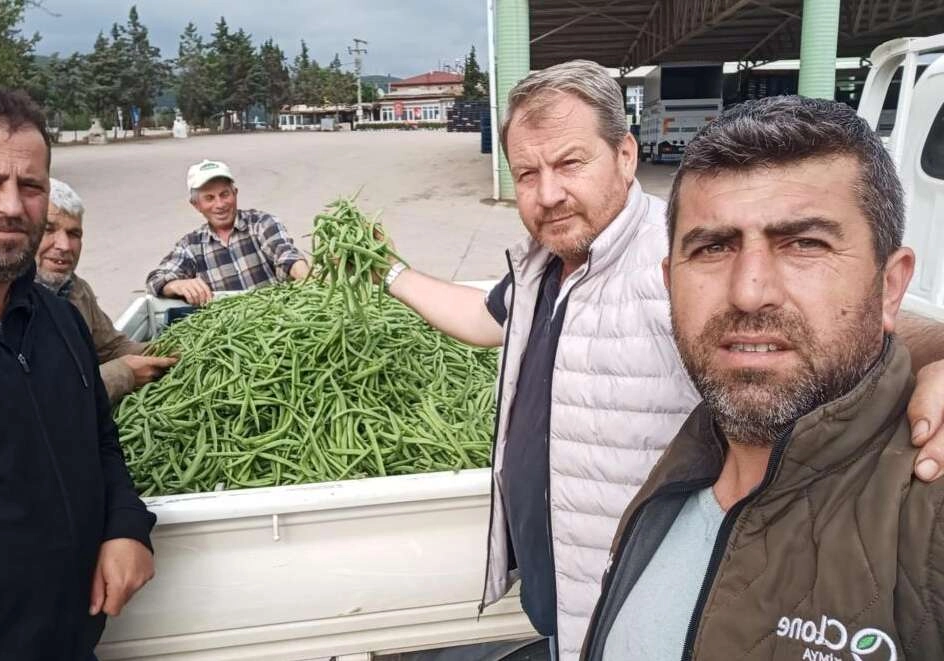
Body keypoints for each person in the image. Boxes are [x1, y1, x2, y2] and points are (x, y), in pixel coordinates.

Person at [378, 61, 944, 659]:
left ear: (625, 156)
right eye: (527, 174)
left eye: (570, 164)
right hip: (579, 588)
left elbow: (834, 326)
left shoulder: (673, 258)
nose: (548, 194)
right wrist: (388, 272)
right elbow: (485, 319)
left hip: (626, 585)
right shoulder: (546, 266)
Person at [580, 95, 944, 660]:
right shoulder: (690, 459)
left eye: (805, 244)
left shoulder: (928, 509)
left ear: (890, 286)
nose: (749, 292)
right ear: (670, 282)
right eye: (713, 247)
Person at [0, 88, 155, 660]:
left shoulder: (60, 319)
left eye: (32, 186)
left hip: (72, 639)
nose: (13, 206)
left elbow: (99, 441)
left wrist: (126, 524)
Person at [37, 178, 176, 403]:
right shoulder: (4, 300)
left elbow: (111, 348)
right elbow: (40, 396)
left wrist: (173, 350)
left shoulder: (77, 290)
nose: (64, 245)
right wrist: (124, 373)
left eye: (74, 234)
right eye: (48, 230)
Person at [145, 159, 309, 304]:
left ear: (235, 194)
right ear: (196, 205)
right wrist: (176, 285)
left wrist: (304, 274)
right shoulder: (190, 246)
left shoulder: (261, 223)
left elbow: (285, 253)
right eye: (209, 198)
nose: (220, 204)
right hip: (225, 325)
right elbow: (155, 280)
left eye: (224, 194)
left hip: (275, 316)